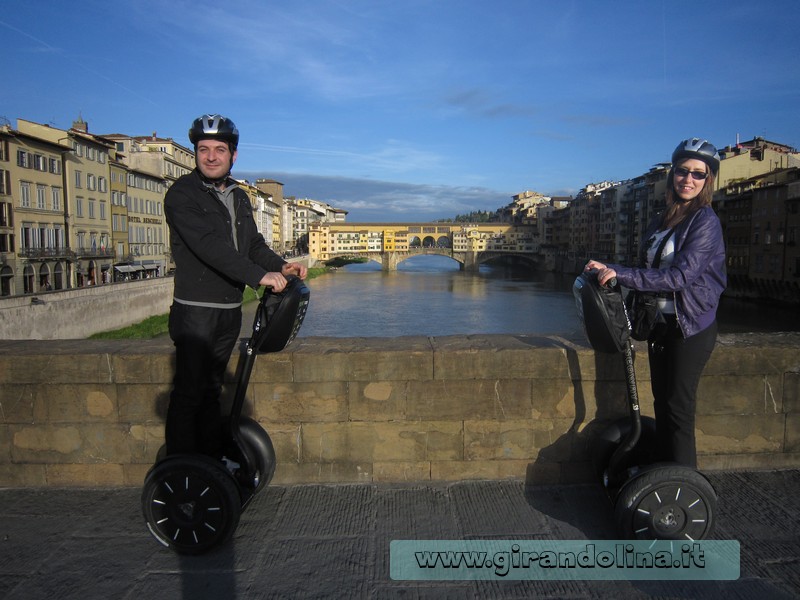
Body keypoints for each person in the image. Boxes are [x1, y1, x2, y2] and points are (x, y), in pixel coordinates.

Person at [164, 113, 307, 460]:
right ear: (195, 153)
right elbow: (209, 247)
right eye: (203, 149)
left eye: (219, 150)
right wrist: (258, 277)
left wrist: (279, 266)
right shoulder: (182, 195)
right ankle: (181, 470)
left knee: (212, 392)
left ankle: (210, 462)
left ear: (233, 155)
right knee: (189, 394)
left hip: (229, 313)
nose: (211, 156)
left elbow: (253, 244)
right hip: (196, 313)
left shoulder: (239, 197)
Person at [585, 138, 726, 468]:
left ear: (708, 180)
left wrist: (619, 274)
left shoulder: (706, 222)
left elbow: (680, 278)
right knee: (662, 405)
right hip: (662, 325)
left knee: (678, 410)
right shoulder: (665, 219)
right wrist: (610, 270)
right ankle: (664, 475)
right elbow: (646, 269)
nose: (688, 180)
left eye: (698, 174)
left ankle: (685, 489)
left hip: (690, 327)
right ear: (672, 175)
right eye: (682, 171)